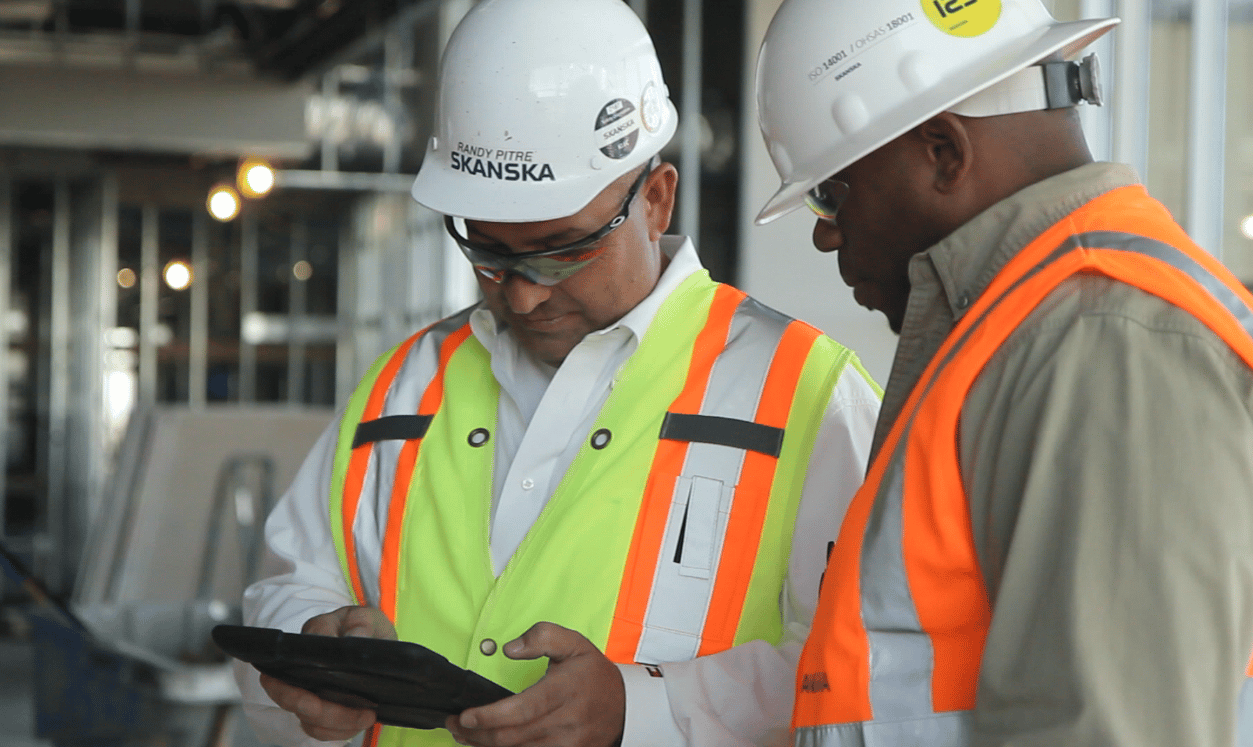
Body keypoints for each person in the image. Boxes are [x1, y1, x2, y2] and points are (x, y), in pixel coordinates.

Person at [235, 1, 882, 746]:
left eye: (562, 249)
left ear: (656, 199)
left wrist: (639, 709)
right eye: (489, 253)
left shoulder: (804, 394)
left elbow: (862, 669)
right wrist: (316, 635)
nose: (525, 291)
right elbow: (289, 583)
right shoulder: (404, 387)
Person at [752, 0, 1253, 745]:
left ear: (942, 152)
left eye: (831, 193)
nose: (827, 233)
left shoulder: (1103, 350)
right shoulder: (1035, 337)